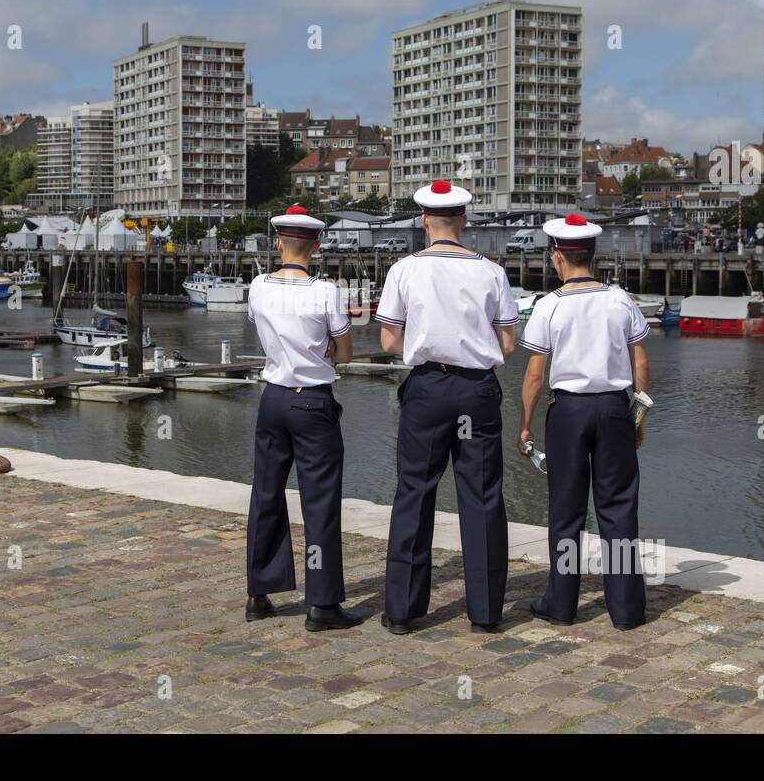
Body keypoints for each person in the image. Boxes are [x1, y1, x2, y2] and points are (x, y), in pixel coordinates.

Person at [377, 180, 519, 634]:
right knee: (481, 497)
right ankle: (485, 612)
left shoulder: (404, 269)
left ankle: (402, 610)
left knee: (414, 493)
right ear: (464, 220)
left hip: (426, 387)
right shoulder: (490, 271)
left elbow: (389, 339)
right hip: (476, 389)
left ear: (424, 221)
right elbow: (509, 343)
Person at [517, 214, 650, 631]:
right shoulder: (619, 299)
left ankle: (561, 605)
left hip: (569, 412)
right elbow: (640, 361)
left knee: (566, 510)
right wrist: (639, 417)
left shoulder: (550, 304)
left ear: (557, 256)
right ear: (593, 254)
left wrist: (524, 425)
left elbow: (536, 374)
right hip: (614, 409)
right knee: (618, 508)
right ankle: (626, 610)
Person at [244, 205, 360, 632]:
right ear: (315, 245)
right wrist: (327, 350)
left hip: (273, 398)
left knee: (266, 494)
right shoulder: (325, 292)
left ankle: (259, 592)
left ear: (278, 243)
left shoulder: (258, 286)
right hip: (312, 402)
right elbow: (344, 353)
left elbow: (261, 326)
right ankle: (322, 603)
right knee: (320, 502)